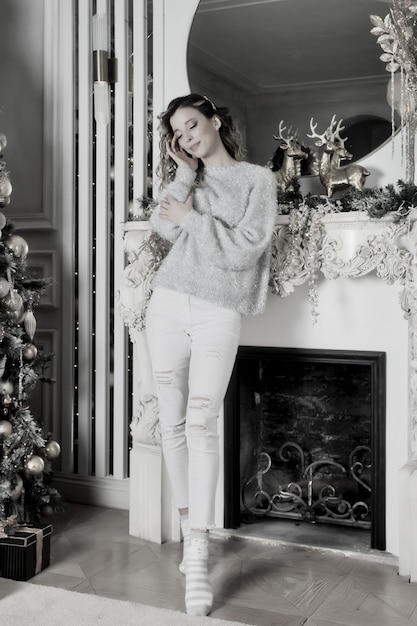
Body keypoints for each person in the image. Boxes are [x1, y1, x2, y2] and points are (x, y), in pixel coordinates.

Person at [145, 93, 277, 616]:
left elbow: (249, 245)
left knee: (202, 423)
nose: (188, 137)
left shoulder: (256, 181)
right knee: (172, 426)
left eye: (193, 125)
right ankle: (187, 525)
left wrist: (193, 218)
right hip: (168, 303)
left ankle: (197, 552)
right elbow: (162, 230)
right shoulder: (189, 182)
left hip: (220, 308)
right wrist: (182, 175)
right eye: (178, 133)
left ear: (216, 121)